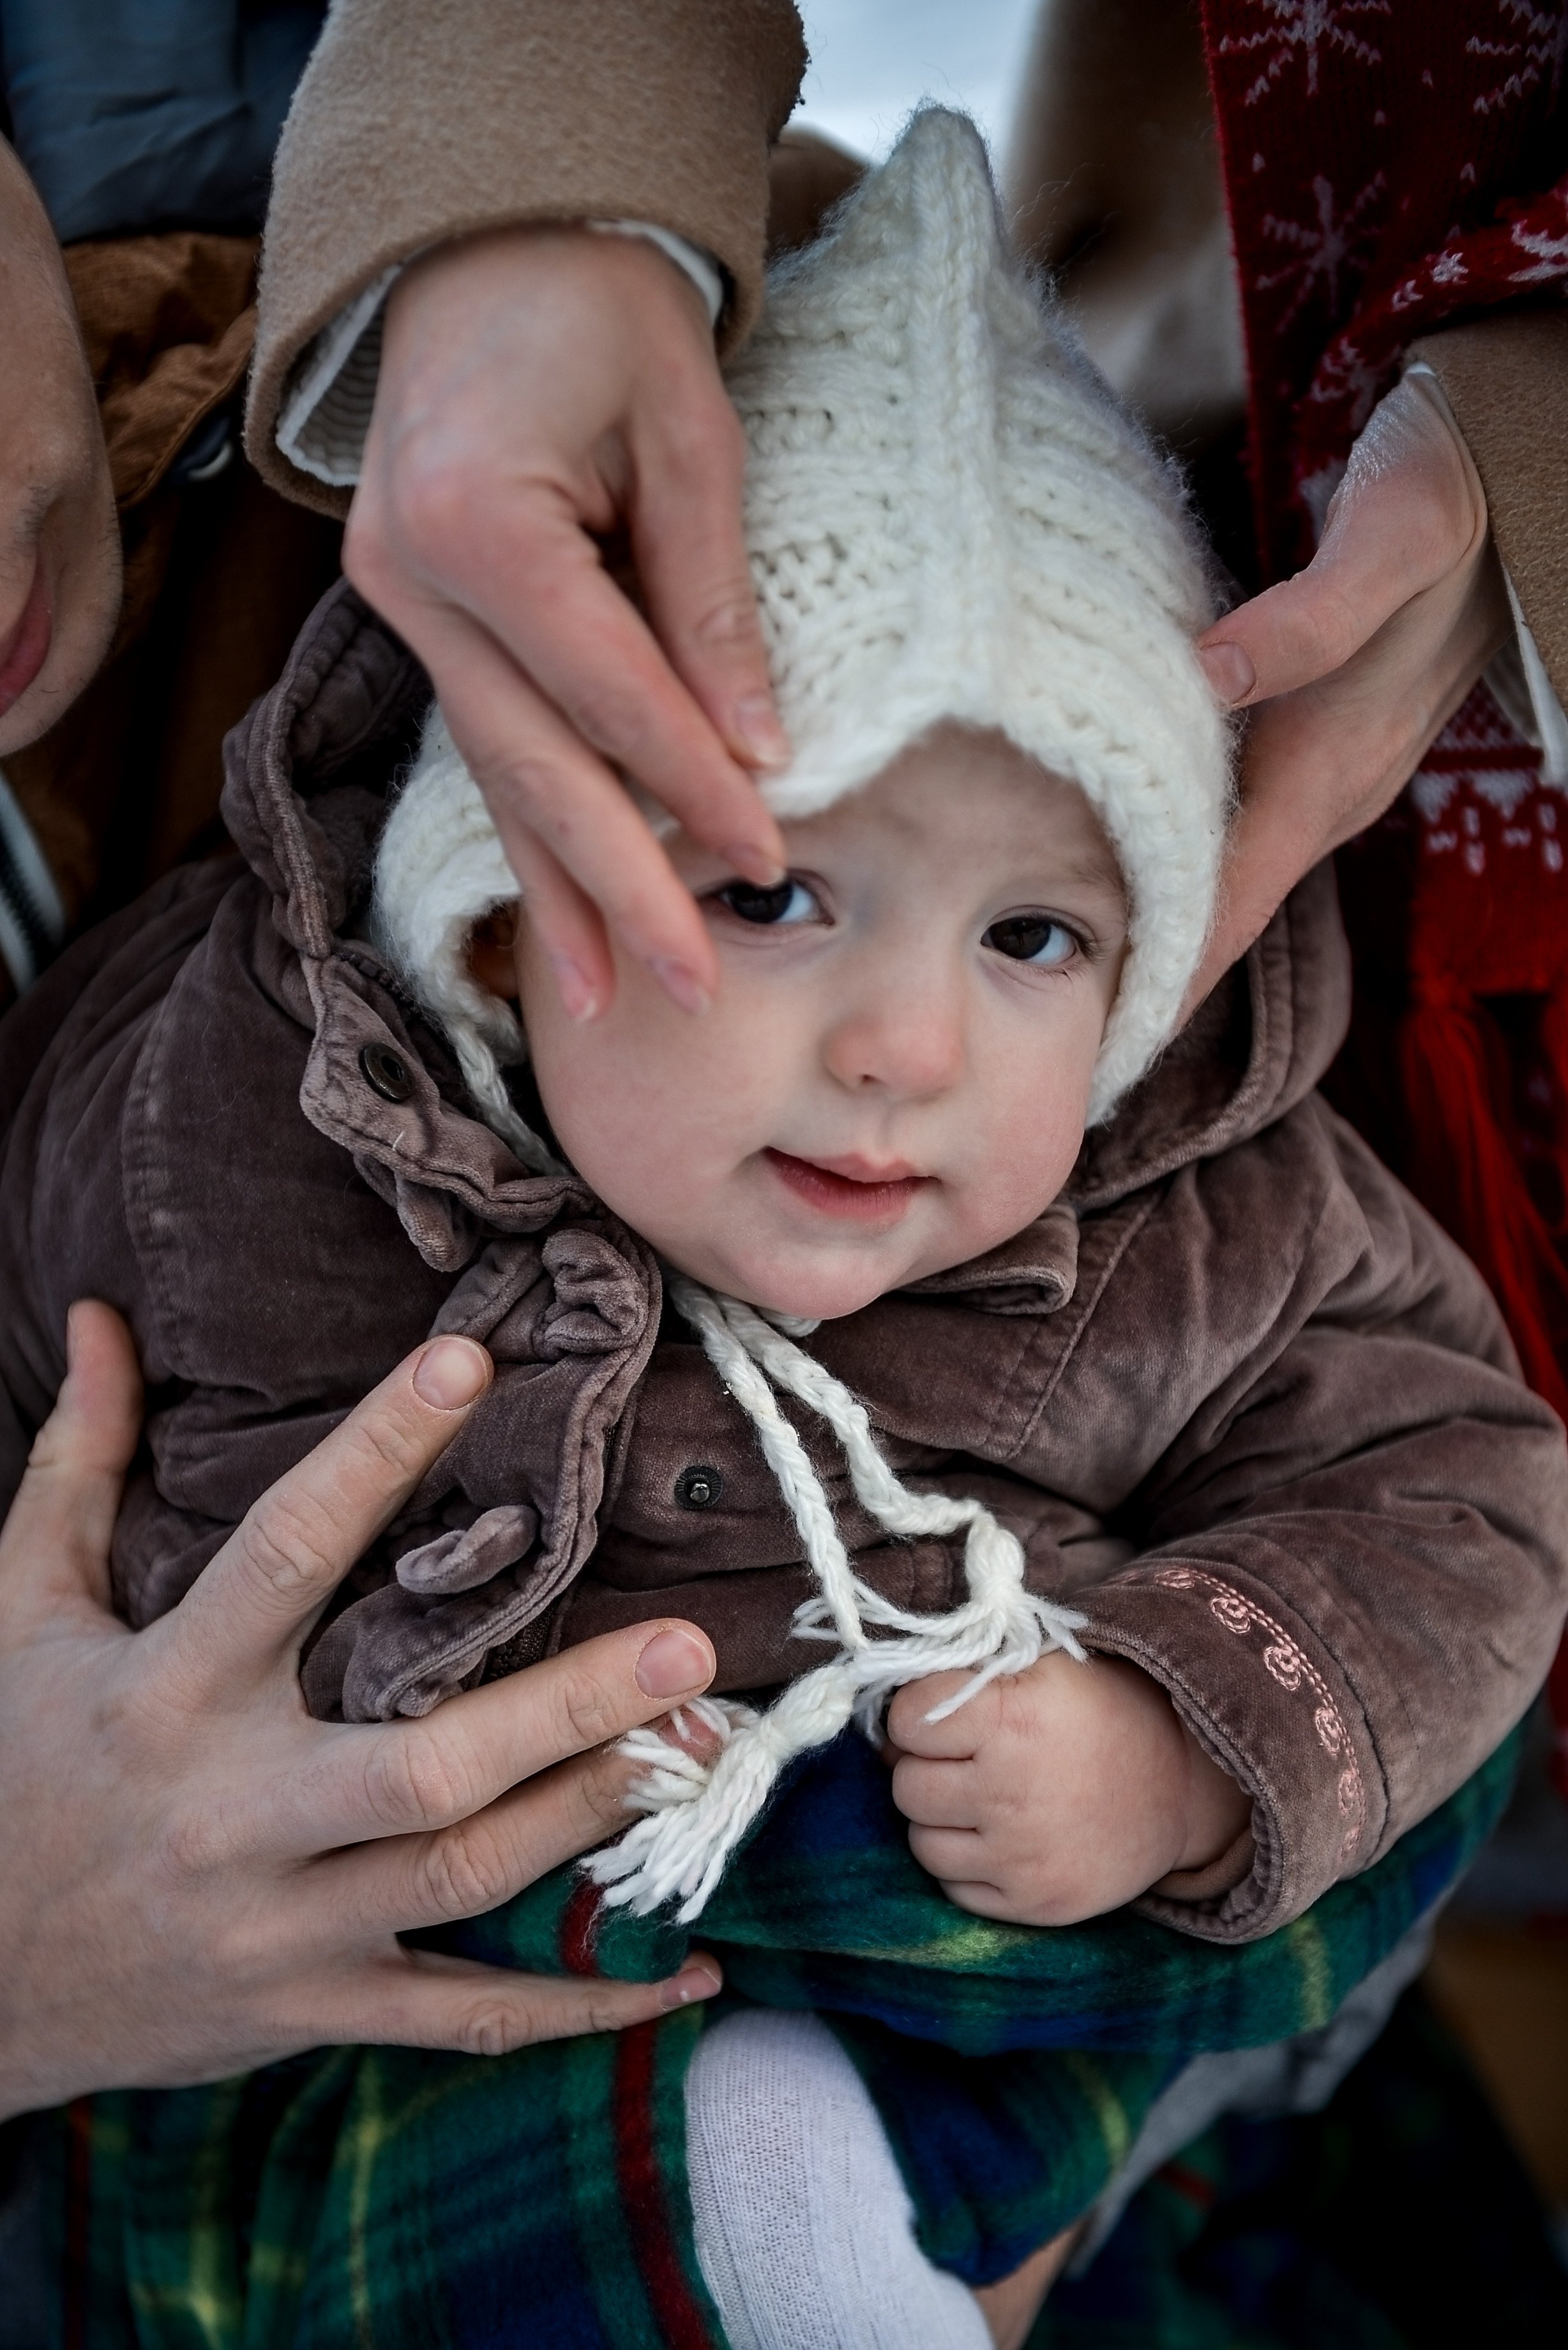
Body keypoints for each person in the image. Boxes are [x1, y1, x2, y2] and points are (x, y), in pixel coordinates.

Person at [4, 115, 1562, 2347]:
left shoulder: (1194, 1211)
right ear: (501, 885)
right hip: (264, 1997)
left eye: (1036, 934)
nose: (906, 1046)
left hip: (887, 1960)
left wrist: (1172, 1744)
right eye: (769, 892)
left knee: (904, 2035)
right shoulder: (222, 1083)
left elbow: (1467, 1496)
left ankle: (821, 2249)